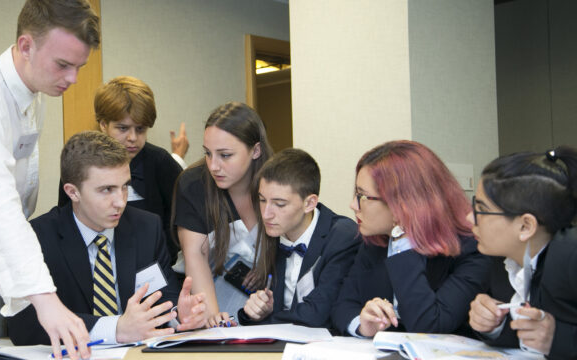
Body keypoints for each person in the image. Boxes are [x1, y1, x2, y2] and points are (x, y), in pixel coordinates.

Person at [0, 1, 99, 357]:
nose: (73, 78)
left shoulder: (31, 90)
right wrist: (45, 299)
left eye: (79, 66)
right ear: (26, 46)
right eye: (63, 65)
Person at [8, 131, 206, 345]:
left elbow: (163, 295)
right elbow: (24, 325)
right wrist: (115, 329)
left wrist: (179, 315)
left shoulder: (146, 228)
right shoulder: (38, 238)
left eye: (124, 187)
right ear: (72, 192)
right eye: (107, 190)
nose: (121, 202)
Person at [332, 140, 491, 338]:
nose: (353, 205)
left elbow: (430, 325)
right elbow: (342, 305)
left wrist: (403, 242)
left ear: (404, 202)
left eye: (363, 196)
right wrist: (363, 325)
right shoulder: (374, 243)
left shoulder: (471, 249)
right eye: (356, 194)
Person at [58, 76, 184, 261]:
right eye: (123, 128)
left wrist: (162, 255)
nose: (132, 138)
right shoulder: (80, 161)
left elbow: (178, 218)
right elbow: (67, 219)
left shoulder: (160, 161)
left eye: (140, 129)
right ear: (103, 125)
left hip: (150, 262)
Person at [467, 147, 577, 358]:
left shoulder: (571, 257)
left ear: (526, 226)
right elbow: (527, 333)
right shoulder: (503, 260)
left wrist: (560, 338)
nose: (469, 219)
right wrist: (494, 325)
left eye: (480, 209)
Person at [171, 102, 273, 326]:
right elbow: (195, 255)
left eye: (225, 155)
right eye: (208, 154)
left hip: (262, 307)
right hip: (205, 299)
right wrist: (214, 321)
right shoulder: (194, 185)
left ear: (256, 150)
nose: (213, 166)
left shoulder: (275, 182)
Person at [237, 148, 359, 327]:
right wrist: (255, 313)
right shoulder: (272, 232)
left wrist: (268, 321)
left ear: (309, 203)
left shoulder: (342, 236)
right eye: (262, 200)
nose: (266, 214)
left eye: (279, 204)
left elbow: (317, 314)